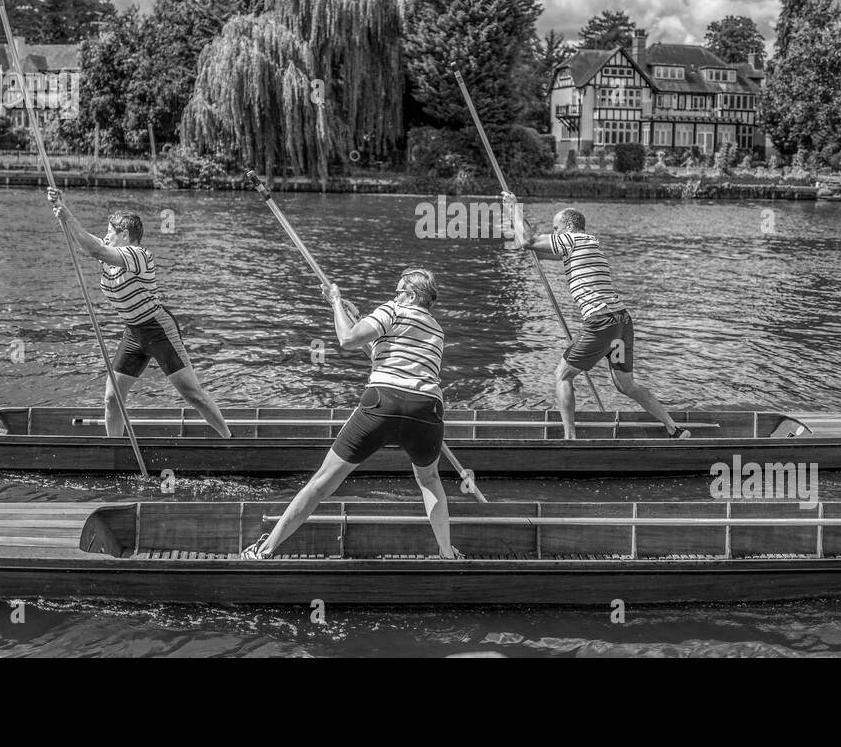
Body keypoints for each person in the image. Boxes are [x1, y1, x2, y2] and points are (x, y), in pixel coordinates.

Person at [243, 268, 461, 560]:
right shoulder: (436, 328)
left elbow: (348, 340)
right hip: (427, 408)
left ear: (410, 295)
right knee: (430, 480)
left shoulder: (393, 311)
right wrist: (356, 316)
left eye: (397, 292)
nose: (393, 296)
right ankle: (448, 553)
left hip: (383, 402)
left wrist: (335, 302)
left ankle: (265, 550)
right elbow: (381, 349)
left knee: (322, 482)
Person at [45, 188, 230, 439]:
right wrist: (63, 212)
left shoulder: (138, 255)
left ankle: (228, 440)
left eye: (110, 232)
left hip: (157, 329)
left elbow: (95, 250)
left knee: (192, 394)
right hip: (133, 333)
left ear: (124, 235)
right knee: (112, 398)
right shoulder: (111, 254)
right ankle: (114, 451)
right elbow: (87, 241)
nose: (105, 236)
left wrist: (67, 215)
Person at [501, 193, 684, 440]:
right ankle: (674, 428)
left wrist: (514, 208)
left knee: (562, 376)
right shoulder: (587, 242)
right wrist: (515, 223)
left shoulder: (571, 240)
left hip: (601, 323)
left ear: (566, 227)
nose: (554, 233)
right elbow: (533, 247)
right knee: (625, 385)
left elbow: (529, 241)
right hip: (621, 323)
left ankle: (570, 439)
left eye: (556, 229)